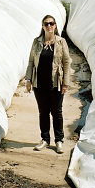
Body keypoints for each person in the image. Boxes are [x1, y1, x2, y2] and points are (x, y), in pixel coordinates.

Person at [25, 15, 72, 153]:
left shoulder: (61, 42)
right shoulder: (37, 42)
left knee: (56, 112)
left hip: (56, 83)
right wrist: (28, 80)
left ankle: (59, 141)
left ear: (55, 25)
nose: (49, 26)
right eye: (46, 24)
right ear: (43, 26)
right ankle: (45, 139)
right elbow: (31, 62)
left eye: (51, 23)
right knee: (43, 112)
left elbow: (67, 62)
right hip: (39, 83)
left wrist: (66, 83)